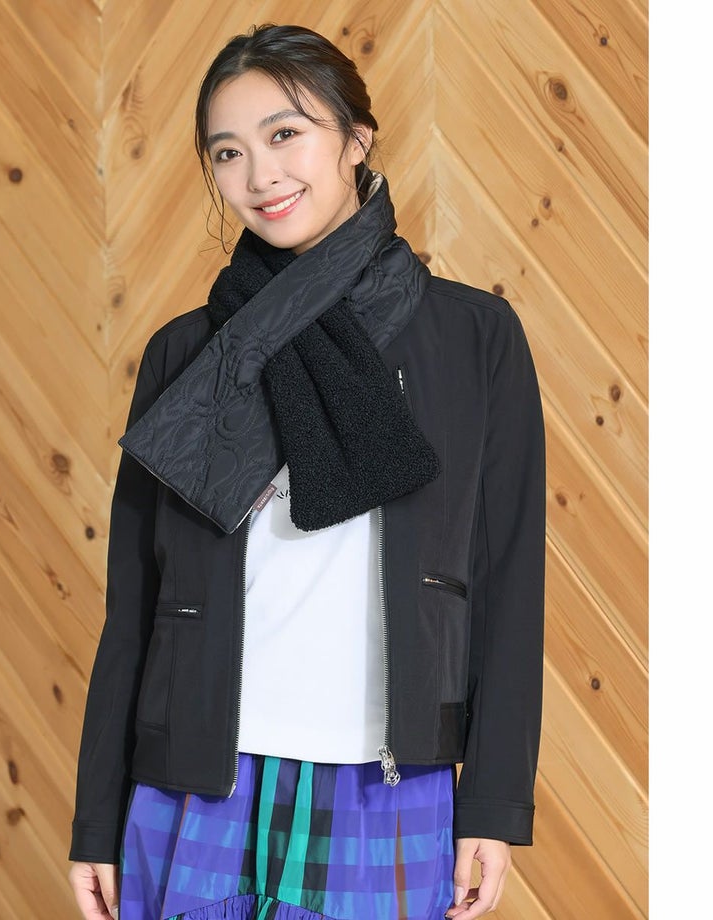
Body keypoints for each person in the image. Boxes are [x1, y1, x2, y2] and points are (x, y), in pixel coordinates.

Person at [67, 22, 545, 920]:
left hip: (384, 778)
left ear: (356, 140)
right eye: (228, 152)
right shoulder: (187, 355)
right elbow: (132, 606)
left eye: (285, 134)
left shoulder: (473, 339)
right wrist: (96, 821)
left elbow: (510, 583)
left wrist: (493, 805)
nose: (260, 175)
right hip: (193, 776)